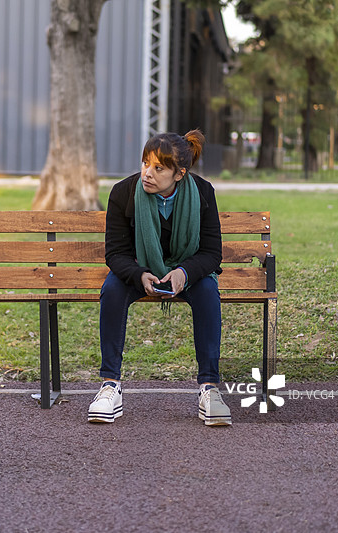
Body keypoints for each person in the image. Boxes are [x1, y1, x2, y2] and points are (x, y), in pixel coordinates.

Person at [87, 130, 232, 426]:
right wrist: (139, 274)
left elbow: (211, 253)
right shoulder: (123, 193)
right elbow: (116, 254)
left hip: (186, 272)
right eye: (145, 164)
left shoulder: (203, 193)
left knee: (207, 291)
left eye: (158, 168)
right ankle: (109, 386)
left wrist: (184, 272)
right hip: (139, 271)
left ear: (179, 174)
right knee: (112, 289)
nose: (147, 174)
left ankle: (209, 388)